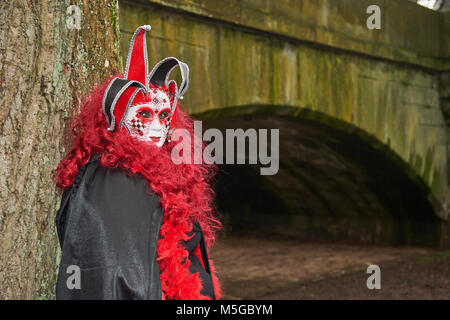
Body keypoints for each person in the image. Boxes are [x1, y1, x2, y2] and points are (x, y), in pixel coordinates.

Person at [54, 25, 222, 300]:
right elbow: (109, 275)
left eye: (164, 115)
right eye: (144, 114)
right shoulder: (113, 179)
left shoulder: (168, 171)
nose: (157, 127)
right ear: (118, 115)